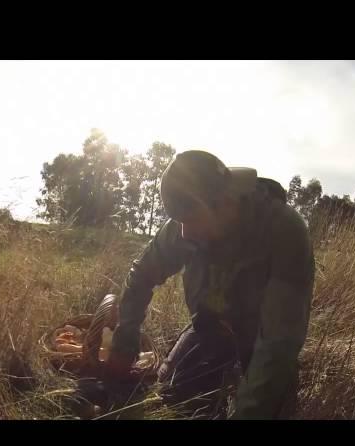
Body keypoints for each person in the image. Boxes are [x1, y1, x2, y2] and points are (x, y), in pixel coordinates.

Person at [104, 150, 315, 419]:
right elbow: (141, 276)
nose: (183, 232)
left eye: (191, 220)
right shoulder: (187, 221)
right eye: (179, 221)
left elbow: (277, 343)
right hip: (210, 330)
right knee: (171, 394)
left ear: (226, 203)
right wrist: (124, 343)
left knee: (271, 405)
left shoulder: (284, 230)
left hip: (261, 340)